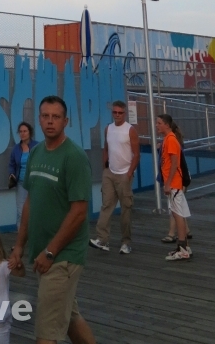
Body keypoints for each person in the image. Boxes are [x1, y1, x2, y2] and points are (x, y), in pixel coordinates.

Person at [9, 96, 96, 344]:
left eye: (56, 117)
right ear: (39, 119)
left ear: (65, 121)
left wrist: (50, 251)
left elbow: (79, 211)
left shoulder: (74, 157)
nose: (50, 121)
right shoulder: (35, 153)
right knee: (69, 319)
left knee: (46, 334)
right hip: (42, 253)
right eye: (46, 116)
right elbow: (30, 202)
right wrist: (19, 246)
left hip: (62, 256)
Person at [89, 100, 139, 255]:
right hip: (110, 173)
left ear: (124, 113)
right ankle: (102, 239)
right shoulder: (108, 128)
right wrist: (105, 168)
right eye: (115, 112)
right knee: (106, 205)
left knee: (126, 209)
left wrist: (130, 173)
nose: (117, 115)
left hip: (125, 173)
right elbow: (106, 147)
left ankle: (126, 242)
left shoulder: (130, 130)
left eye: (120, 113)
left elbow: (136, 154)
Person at [157, 113, 192, 261]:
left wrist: (168, 183)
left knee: (177, 214)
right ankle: (183, 246)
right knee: (179, 214)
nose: (157, 126)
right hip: (174, 183)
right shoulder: (168, 139)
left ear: (166, 124)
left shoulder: (171, 140)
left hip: (174, 184)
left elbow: (174, 164)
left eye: (159, 123)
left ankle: (183, 248)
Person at [8, 121, 38, 227]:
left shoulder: (37, 146)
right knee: (21, 211)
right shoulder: (16, 149)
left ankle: (33, 234)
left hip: (35, 183)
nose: (22, 133)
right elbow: (11, 164)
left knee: (34, 210)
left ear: (30, 132)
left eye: (25, 131)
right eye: (20, 131)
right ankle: (21, 237)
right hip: (21, 183)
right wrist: (12, 174)